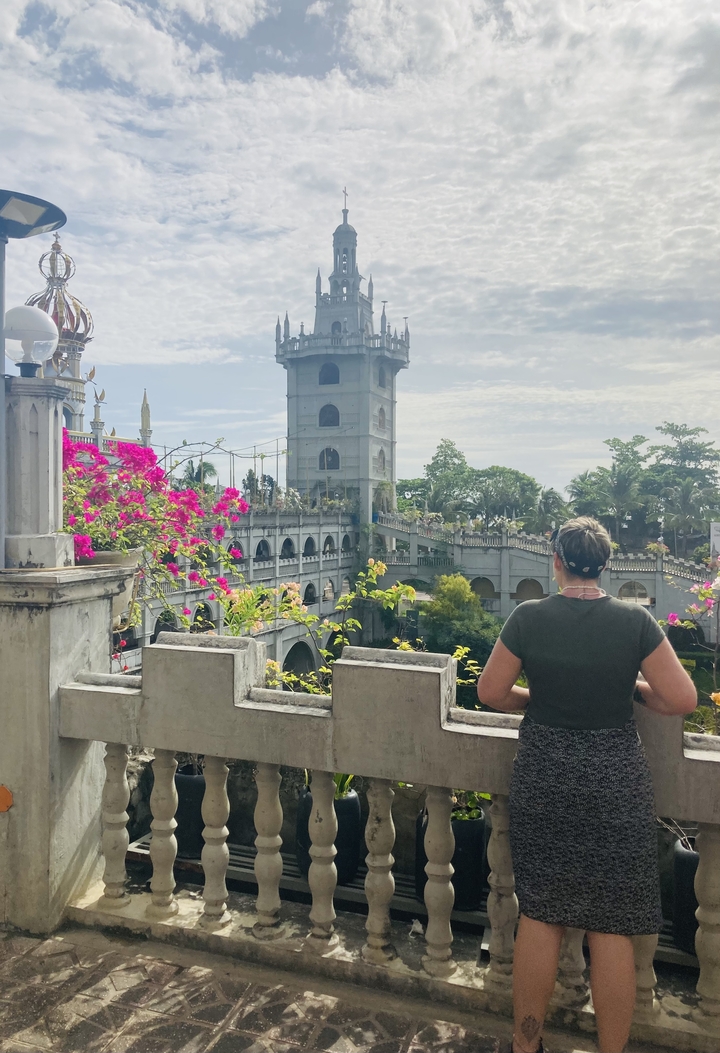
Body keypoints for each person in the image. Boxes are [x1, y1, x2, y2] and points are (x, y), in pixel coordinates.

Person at [476, 516, 697, 1053]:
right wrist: (631, 690)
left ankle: (526, 1046)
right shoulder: (634, 621)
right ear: (605, 564)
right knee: (612, 925)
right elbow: (682, 699)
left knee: (542, 914)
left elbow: (490, 691)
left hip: (544, 772)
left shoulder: (529, 617)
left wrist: (536, 700)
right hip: (614, 777)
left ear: (554, 562)